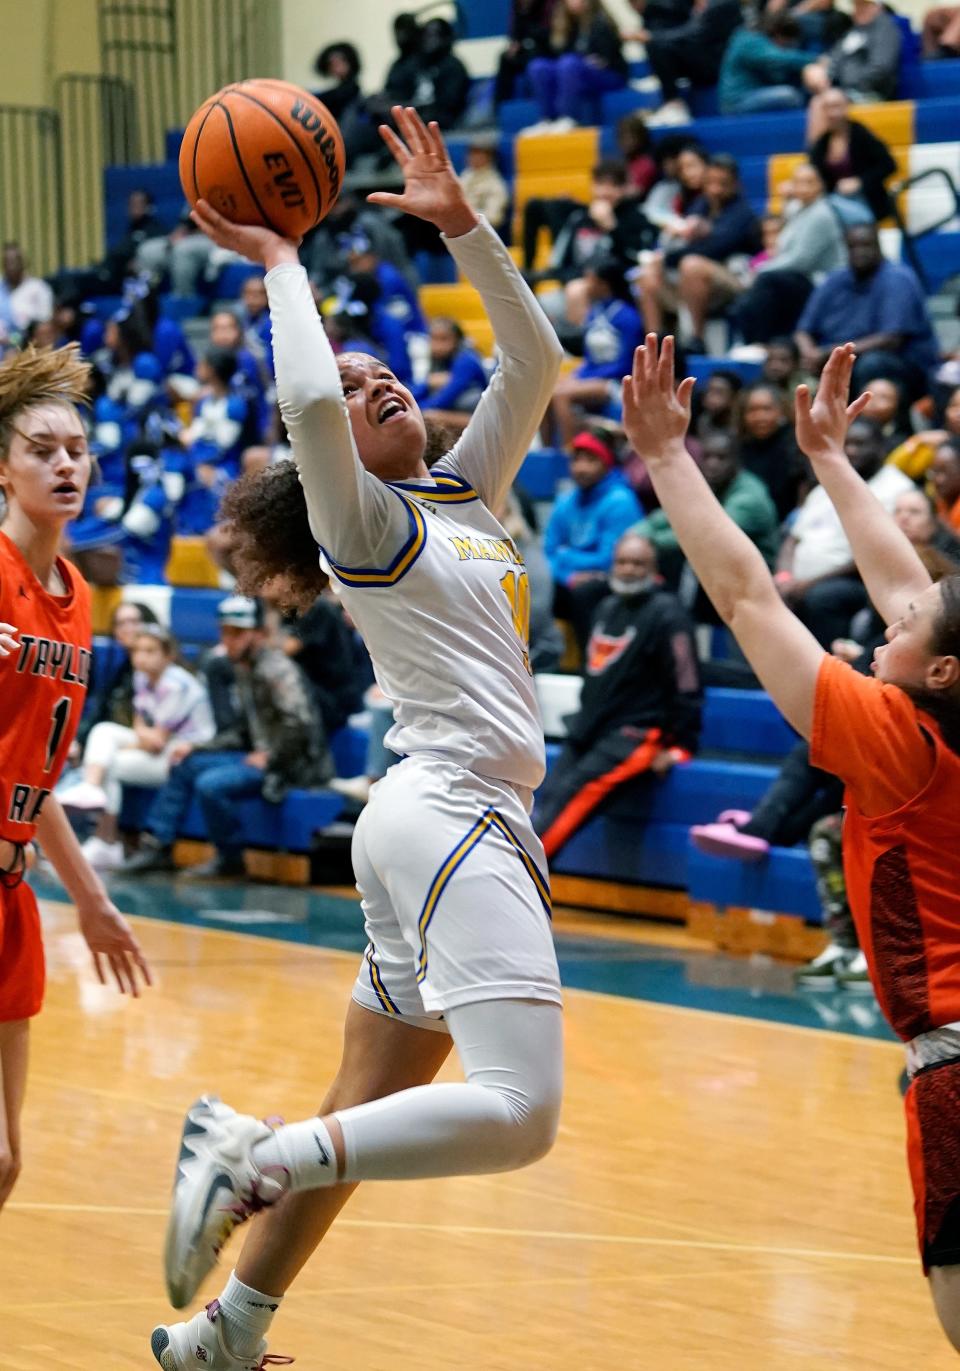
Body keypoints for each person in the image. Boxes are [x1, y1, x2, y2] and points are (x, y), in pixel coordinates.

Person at [149, 108, 565, 1371]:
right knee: (520, 1114)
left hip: (424, 824)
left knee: (367, 1112)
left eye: (393, 368)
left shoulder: (463, 494)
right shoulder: (367, 529)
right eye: (359, 377)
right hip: (452, 817)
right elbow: (314, 403)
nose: (378, 378)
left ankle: (228, 1334)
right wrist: (285, 270)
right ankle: (250, 1152)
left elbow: (535, 360)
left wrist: (468, 230)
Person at [620, 337, 960, 1352]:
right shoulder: (945, 701)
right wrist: (830, 459)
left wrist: (669, 458)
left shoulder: (903, 746)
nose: (888, 617)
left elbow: (748, 598)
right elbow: (919, 594)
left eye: (910, 625)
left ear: (938, 673)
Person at [0, 344, 151, 1211]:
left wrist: (91, 899)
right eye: (41, 449)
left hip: (15, 884)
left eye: (76, 450)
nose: (64, 463)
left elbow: (35, 771)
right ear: (3, 468)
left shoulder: (76, 593)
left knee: (6, 1163)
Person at [122, 595, 330, 879]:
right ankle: (159, 845)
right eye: (225, 632)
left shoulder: (277, 669)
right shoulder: (243, 669)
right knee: (186, 763)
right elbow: (242, 733)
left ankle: (230, 859)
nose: (229, 640)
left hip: (291, 767)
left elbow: (301, 726)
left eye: (238, 633)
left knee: (210, 784)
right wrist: (196, 747)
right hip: (259, 756)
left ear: (258, 634)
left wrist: (272, 757)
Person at [535, 530, 702, 858]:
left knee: (562, 809)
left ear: (653, 570)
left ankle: (520, 880)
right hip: (588, 731)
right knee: (546, 802)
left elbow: (687, 682)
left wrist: (682, 746)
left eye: (638, 564)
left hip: (634, 735)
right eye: (622, 562)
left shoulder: (669, 615)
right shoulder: (605, 607)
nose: (628, 569)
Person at [57, 624, 215, 869]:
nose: (141, 657)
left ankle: (105, 840)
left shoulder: (178, 685)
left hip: (183, 759)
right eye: (138, 650)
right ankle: (90, 789)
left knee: (111, 764)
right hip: (158, 748)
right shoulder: (141, 676)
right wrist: (140, 736)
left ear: (169, 655)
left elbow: (156, 742)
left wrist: (130, 744)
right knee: (103, 730)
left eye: (150, 651)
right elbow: (140, 723)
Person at [777, 415, 913, 644]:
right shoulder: (828, 482)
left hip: (858, 582)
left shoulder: (896, 488)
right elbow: (792, 538)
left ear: (880, 447)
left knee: (823, 597)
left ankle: (828, 670)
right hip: (798, 582)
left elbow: (873, 556)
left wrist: (808, 584)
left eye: (860, 444)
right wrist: (783, 577)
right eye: (847, 443)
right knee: (759, 592)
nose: (851, 450)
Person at [796, 224, 940, 403]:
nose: (859, 252)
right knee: (782, 356)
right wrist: (809, 352)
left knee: (870, 363)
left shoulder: (897, 278)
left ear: (878, 246)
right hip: (835, 355)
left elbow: (891, 340)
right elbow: (803, 329)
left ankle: (869, 425)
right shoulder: (835, 279)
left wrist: (831, 353)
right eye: (853, 247)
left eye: (865, 245)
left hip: (901, 362)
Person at [639, 155, 762, 348]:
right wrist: (663, 257)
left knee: (692, 265)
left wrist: (669, 257)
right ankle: (653, 343)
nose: (716, 189)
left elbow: (714, 249)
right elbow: (683, 243)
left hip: (734, 282)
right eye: (711, 183)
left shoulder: (743, 213)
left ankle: (697, 339)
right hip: (690, 282)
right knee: (648, 273)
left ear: (735, 184)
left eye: (723, 184)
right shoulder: (700, 206)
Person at [731, 162, 848, 345]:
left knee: (767, 280)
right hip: (797, 277)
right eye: (799, 182)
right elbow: (784, 244)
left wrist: (763, 269)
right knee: (750, 290)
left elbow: (801, 260)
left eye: (810, 182)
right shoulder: (796, 208)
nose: (803, 188)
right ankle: (749, 342)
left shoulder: (821, 215)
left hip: (820, 281)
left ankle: (759, 342)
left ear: (821, 185)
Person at [545, 428, 644, 587]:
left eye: (591, 460)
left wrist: (566, 555)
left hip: (609, 582)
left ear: (606, 464)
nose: (581, 468)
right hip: (568, 580)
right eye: (576, 459)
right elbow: (549, 553)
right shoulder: (565, 500)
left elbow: (610, 559)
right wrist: (568, 577)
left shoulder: (621, 501)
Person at [526, 0, 628, 131]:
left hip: (610, 74)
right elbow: (557, 55)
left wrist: (582, 62)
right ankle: (548, 119)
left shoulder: (601, 21)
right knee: (538, 66)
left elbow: (604, 59)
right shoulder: (564, 25)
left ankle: (569, 117)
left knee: (570, 63)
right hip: (577, 70)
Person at [644, 0, 743, 126]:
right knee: (657, 46)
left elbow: (694, 32)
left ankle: (674, 103)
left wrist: (652, 36)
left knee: (658, 43)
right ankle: (672, 102)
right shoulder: (688, 5)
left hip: (721, 63)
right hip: (703, 57)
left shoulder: (722, 3)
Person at [807, 87, 897, 225]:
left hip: (867, 203)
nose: (832, 113)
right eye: (827, 108)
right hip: (835, 204)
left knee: (821, 212)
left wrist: (859, 182)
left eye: (836, 106)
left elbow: (889, 165)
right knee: (798, 207)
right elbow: (813, 173)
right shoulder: (822, 143)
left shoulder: (860, 134)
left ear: (846, 106)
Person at [805, 0, 902, 113]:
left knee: (823, 105)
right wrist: (818, 70)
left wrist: (848, 87)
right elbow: (833, 58)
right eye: (856, 5)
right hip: (844, 93)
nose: (858, 10)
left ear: (876, 7)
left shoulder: (885, 28)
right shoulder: (854, 31)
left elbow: (881, 68)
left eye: (863, 6)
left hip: (871, 95)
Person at [718, 12, 819, 115]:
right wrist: (816, 59)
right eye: (786, 43)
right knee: (789, 95)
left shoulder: (759, 41)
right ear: (778, 34)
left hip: (756, 94)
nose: (787, 47)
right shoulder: (748, 40)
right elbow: (778, 58)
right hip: (737, 102)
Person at [738, 382, 807, 520]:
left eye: (766, 409)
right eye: (752, 410)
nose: (760, 417)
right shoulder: (739, 446)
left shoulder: (796, 443)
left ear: (780, 411)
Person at [495, 0, 555, 106]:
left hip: (546, 50)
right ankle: (499, 108)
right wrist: (515, 43)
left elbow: (551, 35)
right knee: (505, 58)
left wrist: (530, 34)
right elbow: (514, 33)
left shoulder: (549, 4)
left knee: (535, 60)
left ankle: (544, 110)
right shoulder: (518, 6)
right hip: (526, 49)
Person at [0, 244, 53, 345]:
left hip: (28, 344)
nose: (10, 266)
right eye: (7, 262)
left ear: (23, 263)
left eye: (14, 261)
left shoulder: (38, 288)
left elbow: (44, 322)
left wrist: (16, 341)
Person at [459, 136, 510, 234]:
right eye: (471, 154)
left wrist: (465, 217)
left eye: (478, 154)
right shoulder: (465, 176)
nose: (473, 158)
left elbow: (494, 217)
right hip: (452, 225)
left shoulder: (495, 184)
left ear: (489, 158)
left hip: (474, 231)